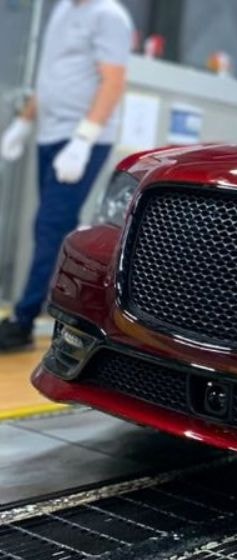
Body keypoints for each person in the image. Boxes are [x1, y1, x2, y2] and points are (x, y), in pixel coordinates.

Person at [0, 0, 133, 351]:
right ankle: (51, 314)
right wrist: (24, 123)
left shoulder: (108, 15)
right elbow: (49, 76)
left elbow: (114, 81)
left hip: (79, 139)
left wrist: (83, 139)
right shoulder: (61, 10)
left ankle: (24, 319)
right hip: (49, 134)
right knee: (48, 226)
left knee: (51, 226)